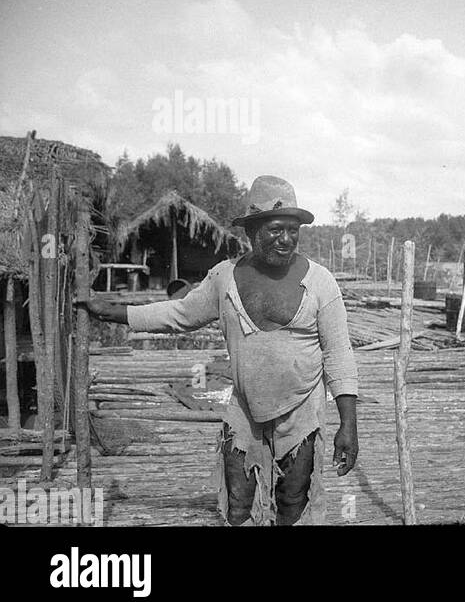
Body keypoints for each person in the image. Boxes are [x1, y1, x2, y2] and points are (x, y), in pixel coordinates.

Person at [77, 175, 360, 526]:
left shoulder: (320, 282)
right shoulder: (225, 278)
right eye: (275, 229)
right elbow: (179, 313)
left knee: (292, 502)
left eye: (292, 229)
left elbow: (339, 354)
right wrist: (115, 312)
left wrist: (349, 424)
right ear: (251, 231)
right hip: (244, 407)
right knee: (238, 503)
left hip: (301, 410)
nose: (286, 239)